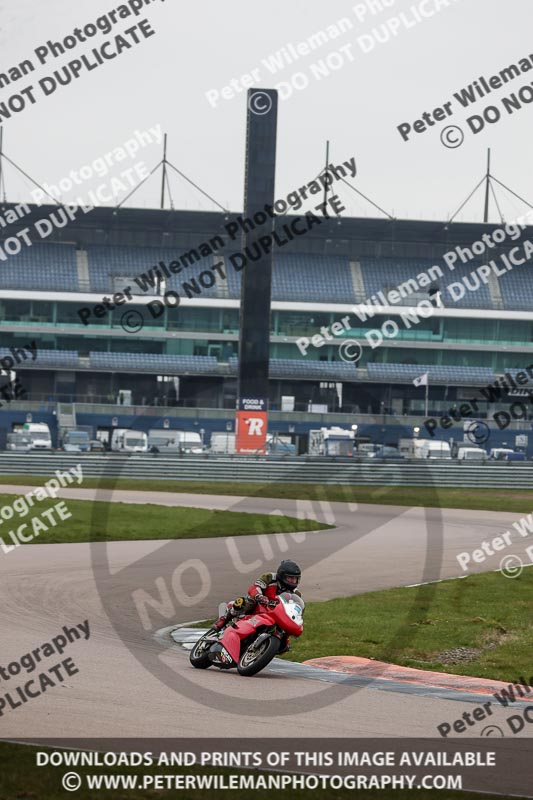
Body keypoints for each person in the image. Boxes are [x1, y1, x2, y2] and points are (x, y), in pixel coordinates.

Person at [214, 559, 302, 630]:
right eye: (290, 578)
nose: (293, 581)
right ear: (282, 575)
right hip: (259, 606)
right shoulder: (269, 577)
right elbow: (254, 587)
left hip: (274, 615)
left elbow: (295, 611)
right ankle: (224, 619)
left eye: (295, 578)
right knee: (247, 601)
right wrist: (259, 596)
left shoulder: (295, 594)